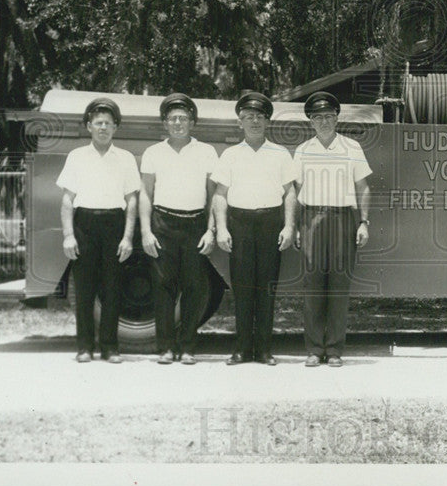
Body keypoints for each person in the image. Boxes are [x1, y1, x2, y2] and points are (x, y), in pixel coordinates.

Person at [213, 91, 296, 366]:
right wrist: (222, 228)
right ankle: (241, 349)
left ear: (267, 121)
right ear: (240, 123)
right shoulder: (230, 155)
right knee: (243, 288)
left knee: (266, 289)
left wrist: (289, 226)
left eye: (260, 116)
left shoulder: (281, 153)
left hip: (270, 223)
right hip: (240, 224)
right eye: (249, 117)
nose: (255, 121)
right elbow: (220, 194)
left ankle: (263, 350)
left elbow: (290, 193)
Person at [56, 97, 140, 364]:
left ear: (116, 127)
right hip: (85, 225)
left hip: (114, 224)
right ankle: (84, 347)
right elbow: (68, 199)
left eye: (108, 123)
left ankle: (110, 347)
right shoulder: (76, 157)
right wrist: (68, 235)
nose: (103, 127)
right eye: (98, 123)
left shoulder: (125, 158)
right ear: (89, 126)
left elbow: (132, 200)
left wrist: (128, 237)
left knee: (112, 289)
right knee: (84, 289)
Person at [292, 91, 372, 367]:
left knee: (338, 287)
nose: (324, 121)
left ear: (336, 117)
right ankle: (314, 349)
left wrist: (363, 222)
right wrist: (298, 226)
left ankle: (335, 350)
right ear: (311, 122)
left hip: (342, 220)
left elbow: (363, 187)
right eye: (318, 117)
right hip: (312, 219)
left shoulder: (351, 148)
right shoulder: (303, 150)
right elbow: (297, 190)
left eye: (328, 116)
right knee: (313, 287)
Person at [138, 93, 218, 366]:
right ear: (164, 123)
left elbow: (213, 195)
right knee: (163, 287)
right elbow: (145, 194)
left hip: (195, 223)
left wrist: (211, 230)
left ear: (192, 122)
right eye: (172, 118)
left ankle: (187, 347)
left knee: (194, 287)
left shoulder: (207, 152)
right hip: (163, 223)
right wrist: (146, 232)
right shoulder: (153, 153)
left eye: (183, 118)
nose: (178, 123)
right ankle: (166, 348)